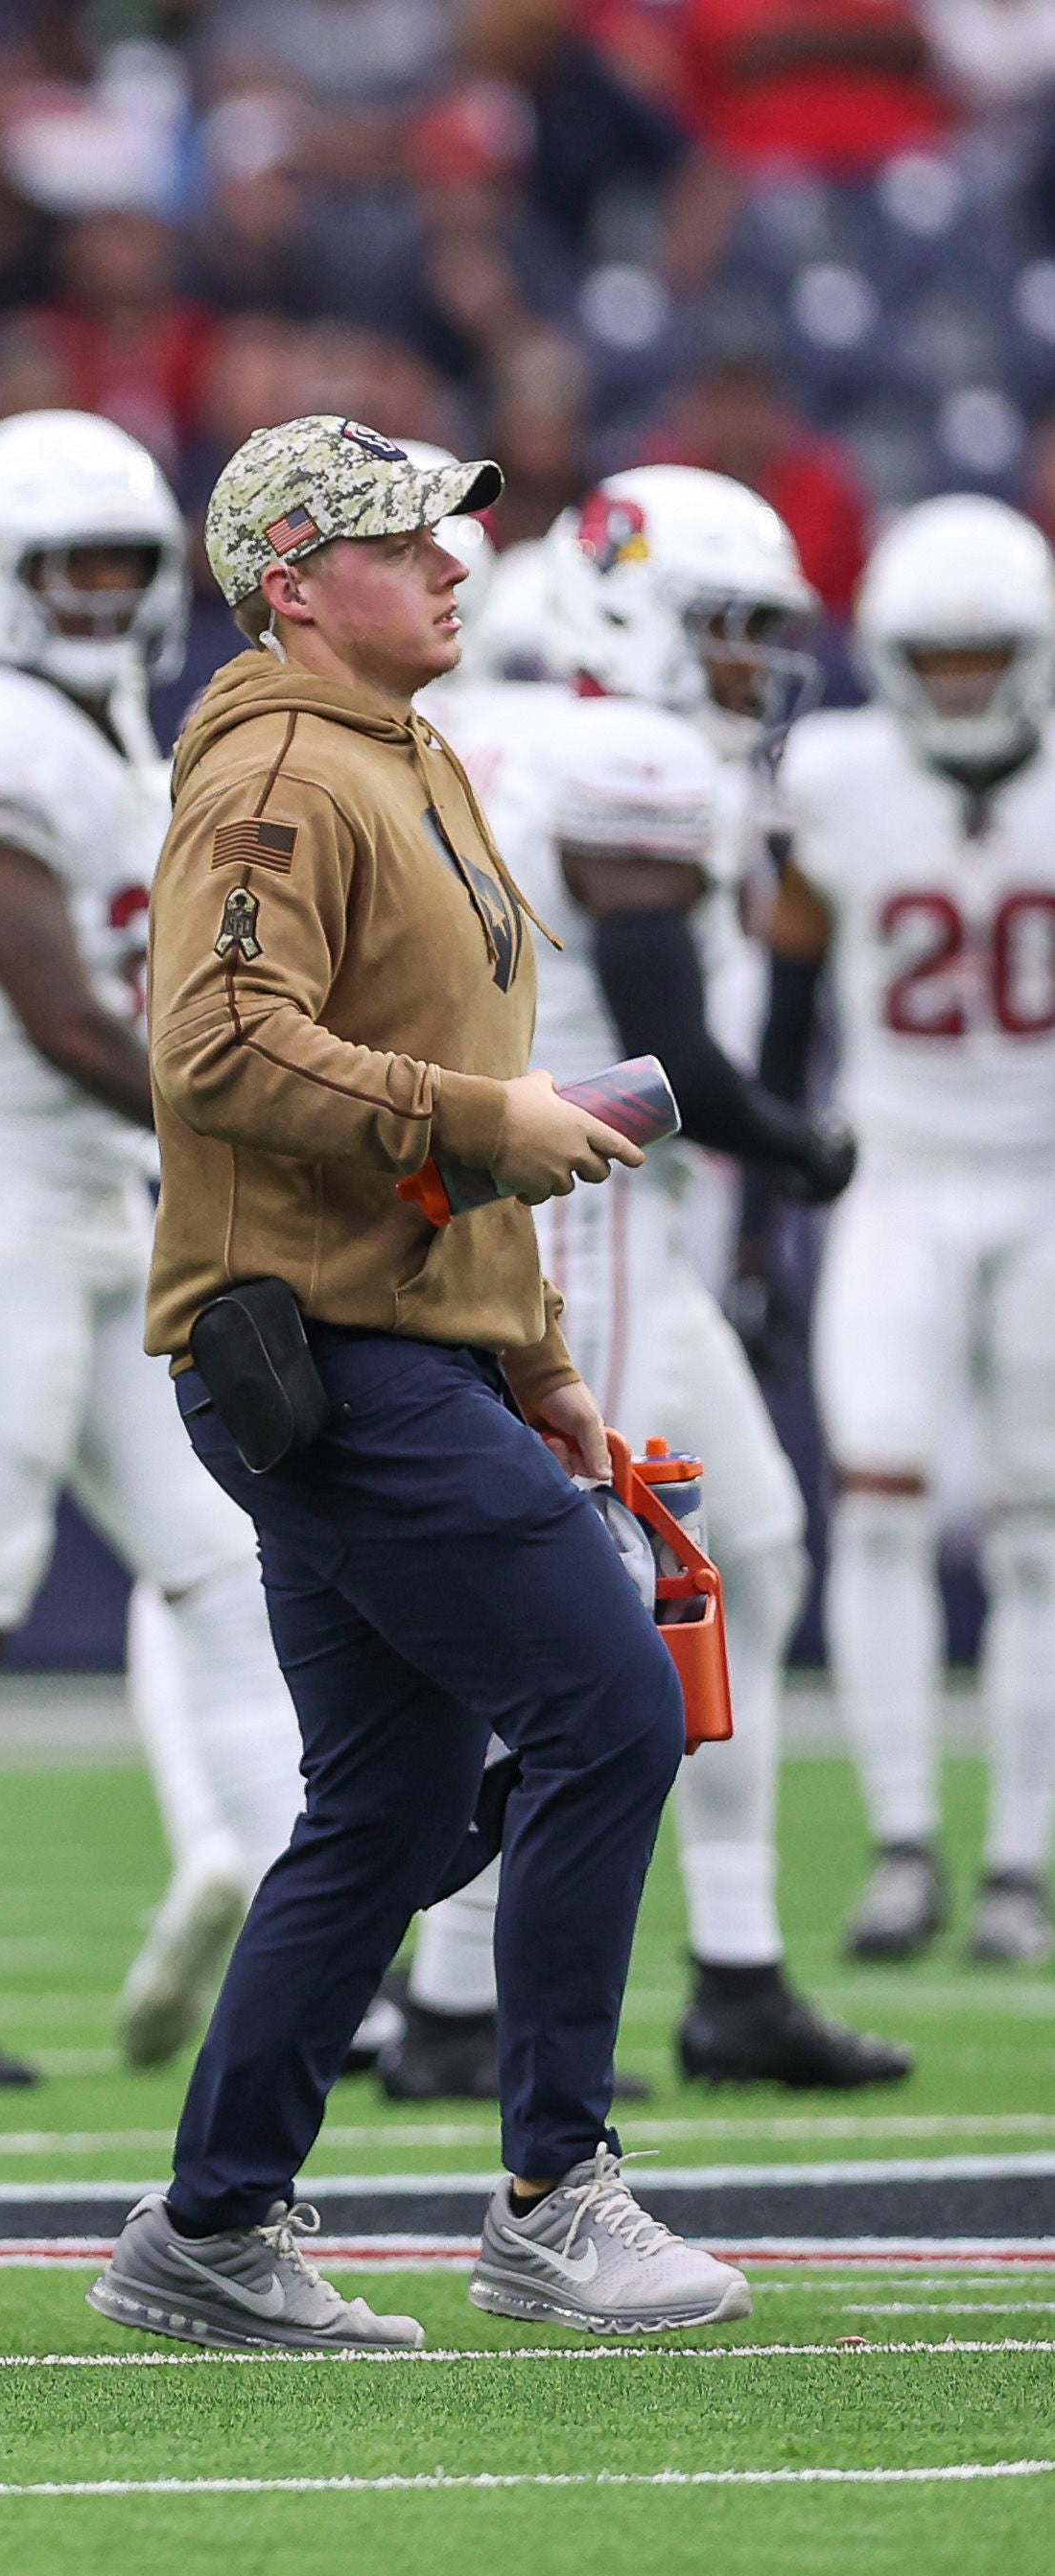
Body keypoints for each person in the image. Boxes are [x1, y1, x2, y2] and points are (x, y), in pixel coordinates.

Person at [91, 413, 746, 2353]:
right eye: (404, 542)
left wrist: (531, 1354)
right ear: (292, 581)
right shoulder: (286, 768)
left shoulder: (399, 748)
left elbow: (406, 1105)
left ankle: (208, 2228)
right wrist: (488, 1122)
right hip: (323, 1351)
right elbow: (212, 1049)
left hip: (392, 1341)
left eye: (451, 535)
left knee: (379, 1811)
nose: (456, 561)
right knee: (605, 1702)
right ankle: (553, 2188)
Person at [402, 463, 905, 2094]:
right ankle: (452, 2000)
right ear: (624, 604)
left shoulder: (537, 735)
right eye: (725, 628)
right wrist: (813, 1152)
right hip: (573, 1211)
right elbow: (663, 1051)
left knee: (743, 1550)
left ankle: (737, 1971)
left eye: (768, 633)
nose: (753, 665)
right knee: (572, 1599)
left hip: (618, 1214)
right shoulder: (610, 755)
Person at [0, 409, 308, 2091]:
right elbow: (56, 1014)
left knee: (222, 1562)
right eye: (69, 566)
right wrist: (260, 1121)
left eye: (124, 563)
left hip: (105, 1202)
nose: (104, 595)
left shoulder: (109, 729)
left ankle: (288, 1910)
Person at [773, 493, 1055, 1972]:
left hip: (1046, 1182)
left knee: (1033, 1536)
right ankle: (900, 1841)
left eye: (981, 658)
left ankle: (1014, 1859)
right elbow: (785, 995)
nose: (956, 685)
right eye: (933, 659)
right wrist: (773, 1174)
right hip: (895, 1174)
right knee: (875, 1500)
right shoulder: (833, 779)